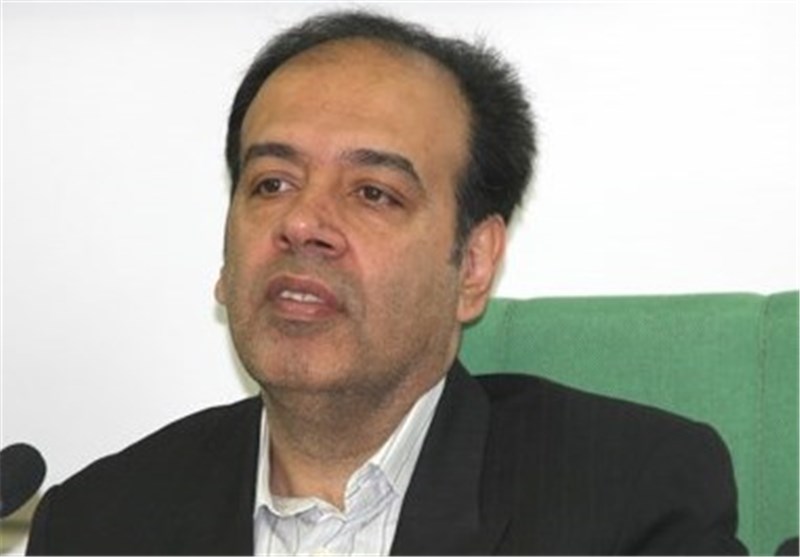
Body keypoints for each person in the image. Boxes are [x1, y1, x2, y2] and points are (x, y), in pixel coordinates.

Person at [26, 10, 746, 556]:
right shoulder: (97, 523)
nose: (302, 223)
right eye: (272, 182)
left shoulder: (630, 495)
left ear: (473, 265)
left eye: (373, 193)